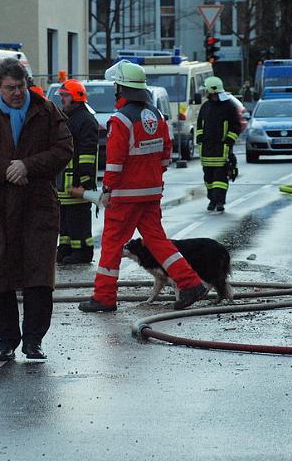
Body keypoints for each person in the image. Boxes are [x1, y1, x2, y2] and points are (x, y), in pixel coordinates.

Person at [0, 58, 72, 362]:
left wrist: (27, 166)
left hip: (37, 205)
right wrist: (3, 169)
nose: (17, 93)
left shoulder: (45, 110)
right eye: (10, 88)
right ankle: (6, 340)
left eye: (21, 86)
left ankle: (33, 340)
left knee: (39, 274)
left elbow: (64, 149)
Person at [78, 60, 208, 313]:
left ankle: (104, 297)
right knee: (158, 241)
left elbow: (114, 162)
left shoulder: (120, 120)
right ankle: (190, 282)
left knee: (112, 245)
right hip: (150, 192)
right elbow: (166, 154)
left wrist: (107, 190)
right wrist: (152, 178)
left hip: (125, 196)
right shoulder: (156, 115)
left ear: (121, 89)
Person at [55, 79, 99, 265]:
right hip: (66, 184)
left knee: (78, 221)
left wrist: (85, 180)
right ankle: (66, 249)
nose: (62, 100)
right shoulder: (71, 117)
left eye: (65, 96)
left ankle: (82, 252)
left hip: (77, 183)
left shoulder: (85, 120)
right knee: (66, 222)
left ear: (75, 97)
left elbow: (87, 154)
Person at [196, 76, 241, 213]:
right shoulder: (205, 107)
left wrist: (229, 140)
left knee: (220, 178)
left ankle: (220, 201)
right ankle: (212, 199)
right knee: (208, 178)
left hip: (222, 148)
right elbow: (199, 125)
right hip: (207, 149)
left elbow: (235, 126)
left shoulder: (228, 107)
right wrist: (200, 137)